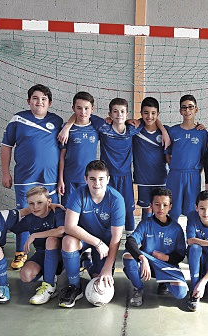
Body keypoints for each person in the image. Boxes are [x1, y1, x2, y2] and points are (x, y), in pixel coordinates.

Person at [58, 97, 170, 233]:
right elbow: (82, 113)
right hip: (107, 178)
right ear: (110, 114)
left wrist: (163, 131)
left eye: (122, 112)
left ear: (127, 114)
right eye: (115, 112)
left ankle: (130, 238)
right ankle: (103, 236)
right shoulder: (103, 128)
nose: (119, 115)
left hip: (125, 177)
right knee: (105, 206)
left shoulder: (132, 129)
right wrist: (67, 127)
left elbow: (151, 117)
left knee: (128, 207)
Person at [1, 84, 63, 270]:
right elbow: (6, 146)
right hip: (25, 177)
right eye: (35, 98)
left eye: (44, 99)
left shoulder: (58, 121)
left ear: (49, 103)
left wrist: (61, 179)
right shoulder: (18, 119)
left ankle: (53, 251)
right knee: (26, 213)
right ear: (29, 101)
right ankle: (21, 251)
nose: (39, 102)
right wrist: (5, 172)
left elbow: (63, 151)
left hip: (50, 178)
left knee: (51, 214)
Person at [59, 160, 126, 308]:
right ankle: (74, 287)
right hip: (85, 238)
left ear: (108, 180)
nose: (97, 183)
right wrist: (97, 243)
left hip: (107, 244)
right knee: (68, 241)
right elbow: (69, 227)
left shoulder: (116, 200)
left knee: (98, 279)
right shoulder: (78, 194)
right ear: (85, 179)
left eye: (101, 179)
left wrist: (108, 267)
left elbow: (116, 238)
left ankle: (87, 261)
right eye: (92, 179)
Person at [122, 187, 188, 307]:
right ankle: (138, 288)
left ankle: (163, 283)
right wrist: (142, 257)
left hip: (165, 265)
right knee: (128, 256)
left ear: (170, 207)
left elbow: (180, 254)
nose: (161, 208)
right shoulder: (145, 224)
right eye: (157, 204)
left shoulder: (176, 228)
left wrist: (166, 258)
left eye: (164, 205)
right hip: (147, 263)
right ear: (151, 205)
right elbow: (130, 241)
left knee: (180, 293)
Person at [10, 186, 66, 305]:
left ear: (49, 202)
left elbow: (62, 230)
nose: (35, 207)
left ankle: (49, 284)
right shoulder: (30, 218)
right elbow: (11, 227)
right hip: (43, 254)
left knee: (51, 240)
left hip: (63, 255)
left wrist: (35, 235)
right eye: (31, 204)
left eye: (40, 202)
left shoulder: (57, 211)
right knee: (25, 275)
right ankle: (50, 277)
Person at [166, 94, 208, 220]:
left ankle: (191, 238)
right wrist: (174, 166)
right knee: (174, 210)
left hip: (193, 175)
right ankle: (173, 237)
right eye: (184, 108)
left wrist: (197, 171)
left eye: (190, 107)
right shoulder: (173, 131)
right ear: (180, 111)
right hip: (175, 175)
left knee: (191, 210)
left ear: (196, 109)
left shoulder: (202, 133)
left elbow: (204, 155)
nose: (187, 110)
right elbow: (167, 153)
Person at [57, 91, 100, 206]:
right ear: (73, 108)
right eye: (79, 108)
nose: (83, 112)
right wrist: (61, 179)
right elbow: (62, 156)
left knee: (86, 213)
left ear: (92, 109)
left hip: (89, 180)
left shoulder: (96, 128)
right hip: (70, 179)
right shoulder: (66, 130)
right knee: (68, 212)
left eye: (86, 108)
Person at [132, 97, 168, 221]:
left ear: (158, 114)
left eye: (153, 113)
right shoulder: (135, 130)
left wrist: (162, 129)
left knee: (160, 208)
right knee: (146, 209)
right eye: (146, 113)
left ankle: (159, 234)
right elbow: (122, 124)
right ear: (141, 113)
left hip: (160, 178)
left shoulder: (165, 132)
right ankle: (145, 235)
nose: (149, 116)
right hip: (143, 179)